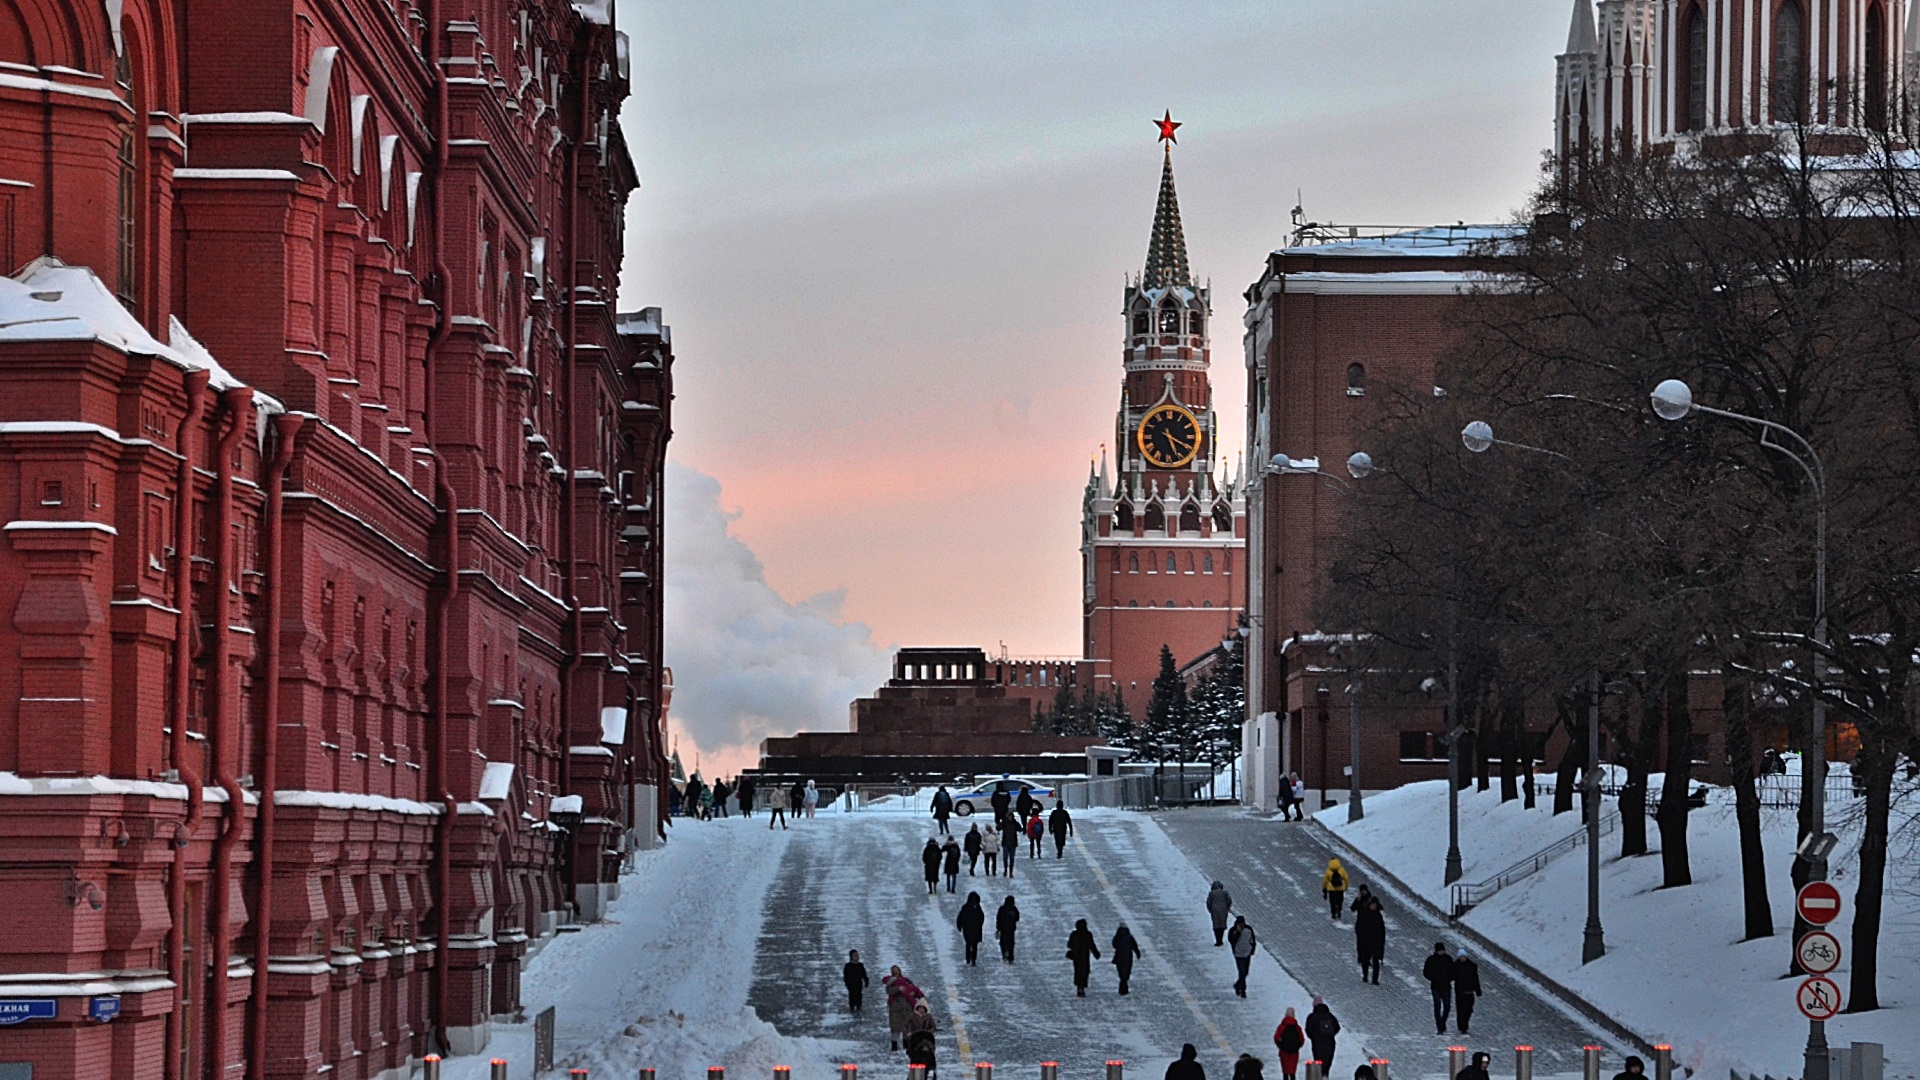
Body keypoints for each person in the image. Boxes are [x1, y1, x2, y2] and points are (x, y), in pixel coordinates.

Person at [882, 966, 924, 1051]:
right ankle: (894, 1046)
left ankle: (906, 1044)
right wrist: (898, 989)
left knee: (907, 1026)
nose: (896, 972)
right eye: (894, 971)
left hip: (907, 1007)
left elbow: (915, 989)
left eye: (897, 970)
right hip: (896, 1008)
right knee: (895, 1028)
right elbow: (888, 990)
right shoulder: (891, 981)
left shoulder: (907, 980)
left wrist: (914, 994)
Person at [1422, 942, 1455, 1034]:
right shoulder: (1431, 960)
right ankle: (1439, 1027)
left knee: (1447, 1007)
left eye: (1442, 950)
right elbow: (1426, 972)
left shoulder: (1448, 959)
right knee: (1437, 1007)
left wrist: (1450, 978)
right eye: (1440, 950)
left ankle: (1442, 1022)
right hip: (1435, 987)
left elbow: (1453, 971)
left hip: (1446, 986)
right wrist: (1433, 978)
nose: (1441, 952)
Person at [1304, 997, 1340, 1078]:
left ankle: (1318, 1076)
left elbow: (1308, 1029)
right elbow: (1337, 1027)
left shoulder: (1312, 1017)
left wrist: (1314, 1037)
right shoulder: (1330, 1015)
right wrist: (1331, 1035)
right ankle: (1325, 1075)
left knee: (1318, 1061)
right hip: (1330, 1043)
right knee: (1327, 1061)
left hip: (1317, 1043)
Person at [1354, 894, 1385, 985]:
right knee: (1365, 960)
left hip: (1376, 942)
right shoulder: (1364, 915)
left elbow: (1382, 930)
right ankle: (1365, 976)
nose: (1374, 906)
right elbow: (1359, 927)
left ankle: (1375, 979)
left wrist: (1381, 942)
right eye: (1372, 904)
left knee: (1376, 961)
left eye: (1375, 905)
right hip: (1365, 942)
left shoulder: (1378, 916)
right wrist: (1361, 938)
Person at [1066, 917, 1101, 996]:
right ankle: (1082, 987)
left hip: (1076, 956)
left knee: (1078, 971)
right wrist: (1096, 953)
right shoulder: (1087, 934)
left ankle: (1079, 987)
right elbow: (1091, 945)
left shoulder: (1074, 934)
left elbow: (1069, 945)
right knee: (1085, 971)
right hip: (1085, 956)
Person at [1453, 949, 1482, 1034]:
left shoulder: (1471, 966)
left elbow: (1475, 978)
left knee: (1469, 1009)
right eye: (1461, 957)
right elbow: (1451, 976)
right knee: (1461, 1010)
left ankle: (1465, 1024)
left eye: (1464, 956)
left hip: (1470, 991)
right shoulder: (1455, 966)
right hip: (1460, 992)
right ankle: (1462, 1026)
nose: (1463, 958)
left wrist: (1478, 990)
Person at [1227, 915, 1256, 997]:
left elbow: (1252, 940)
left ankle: (1237, 985)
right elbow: (1231, 940)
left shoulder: (1248, 929)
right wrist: (1237, 933)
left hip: (1247, 953)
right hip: (1238, 954)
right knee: (1241, 972)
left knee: (1245, 972)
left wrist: (1252, 950)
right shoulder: (1233, 930)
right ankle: (1243, 990)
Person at [1111, 922, 1143, 995]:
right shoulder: (1129, 937)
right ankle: (1124, 987)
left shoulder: (1117, 936)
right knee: (1126, 971)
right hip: (1128, 957)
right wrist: (1138, 953)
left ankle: (1122, 987)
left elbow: (1114, 945)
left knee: (1121, 972)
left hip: (1119, 956)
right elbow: (1134, 946)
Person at [1273, 1007, 1305, 1080]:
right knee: (1292, 1070)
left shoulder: (1282, 1026)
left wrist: (1280, 1046)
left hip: (1284, 1052)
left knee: (1285, 1069)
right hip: (1294, 1052)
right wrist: (1297, 1046)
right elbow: (1302, 1039)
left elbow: (1276, 1038)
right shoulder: (1297, 1027)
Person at [957, 892, 986, 965]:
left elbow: (960, 917)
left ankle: (968, 959)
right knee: (975, 944)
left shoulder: (966, 906)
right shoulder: (978, 907)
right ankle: (973, 960)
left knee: (968, 943)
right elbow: (982, 917)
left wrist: (960, 926)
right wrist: (979, 924)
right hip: (976, 928)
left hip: (967, 928)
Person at [1206, 881, 1233, 946]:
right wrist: (1227, 908)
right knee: (1222, 924)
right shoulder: (1225, 893)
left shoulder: (1211, 893)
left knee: (1216, 925)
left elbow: (1208, 902)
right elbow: (1229, 900)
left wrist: (1210, 910)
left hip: (1214, 910)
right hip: (1223, 910)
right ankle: (1221, 938)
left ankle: (1218, 940)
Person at [996, 894, 1020, 962]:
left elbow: (998, 919)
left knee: (1003, 943)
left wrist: (998, 928)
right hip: (1011, 929)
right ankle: (1010, 956)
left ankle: (1004, 954)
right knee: (1011, 943)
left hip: (1003, 929)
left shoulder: (1002, 909)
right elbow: (1017, 918)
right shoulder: (1014, 909)